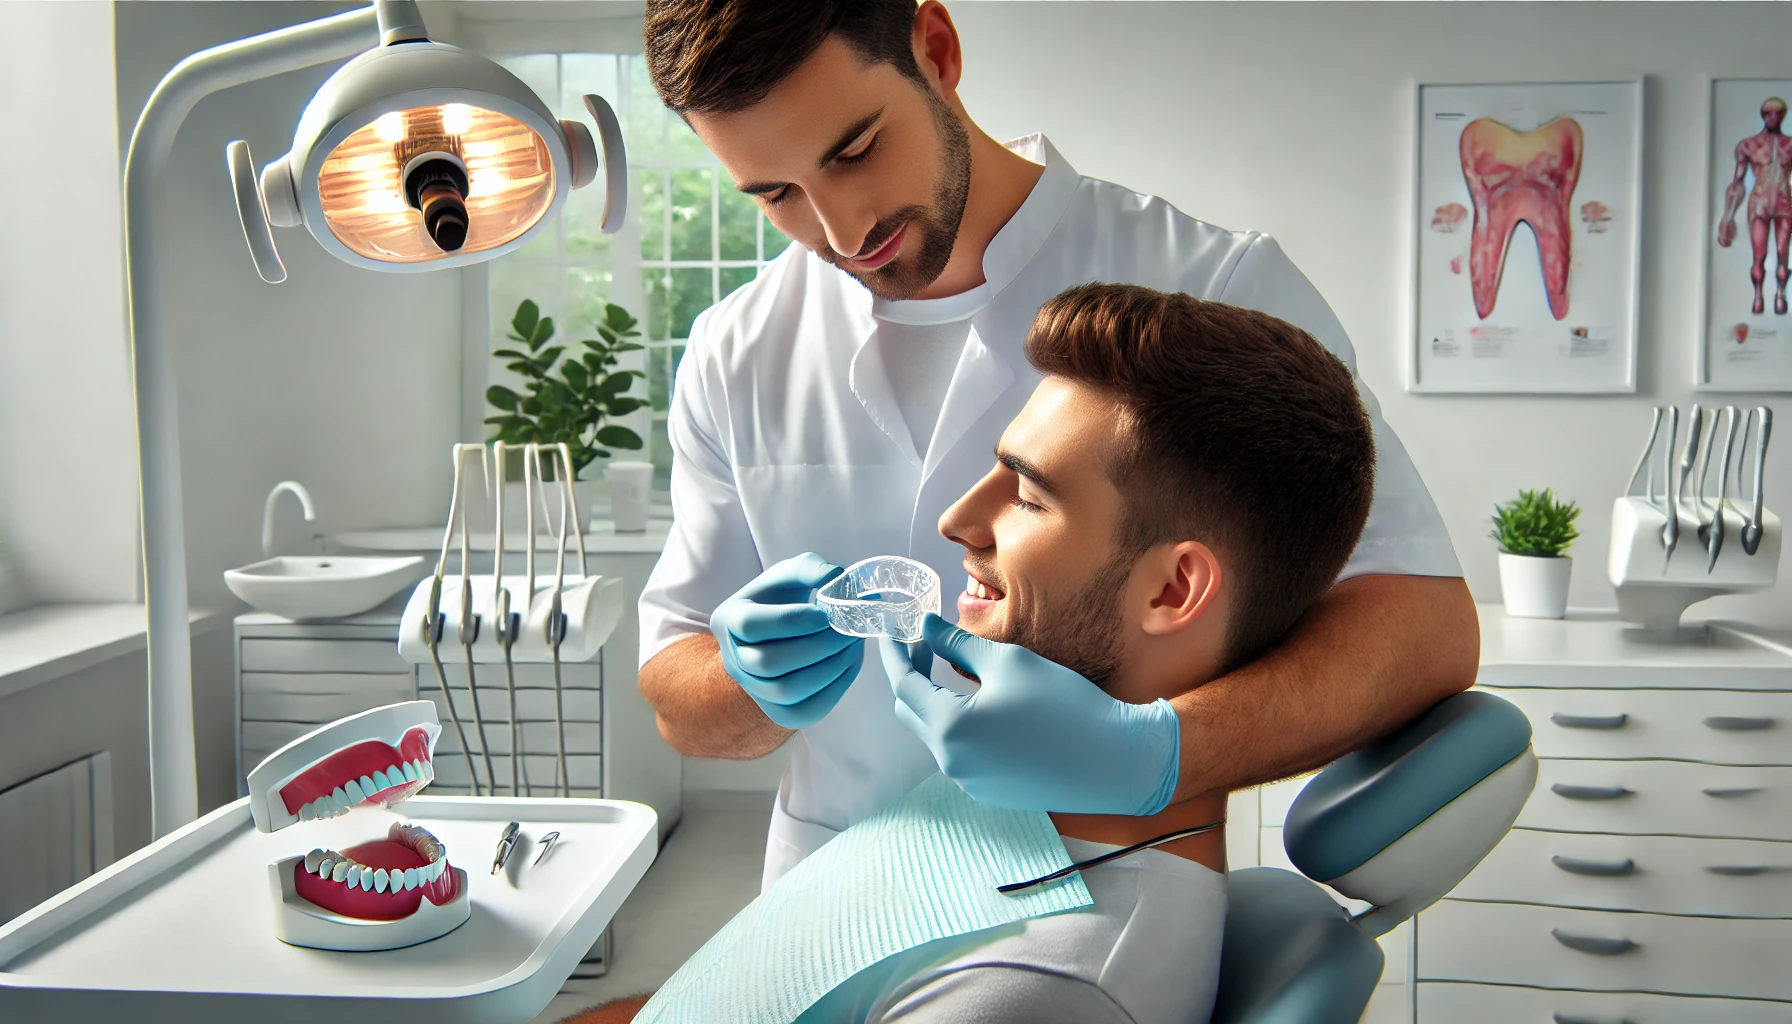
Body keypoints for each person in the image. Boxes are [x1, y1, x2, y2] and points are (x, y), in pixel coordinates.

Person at [636, 0, 1476, 890]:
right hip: (829, 894)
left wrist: (1149, 756)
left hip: (1101, 901)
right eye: (776, 194)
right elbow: (677, 700)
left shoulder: (1211, 285)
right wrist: (745, 682)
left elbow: (1422, 630)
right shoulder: (737, 350)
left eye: (855, 151)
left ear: (937, 49)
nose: (841, 232)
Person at [569, 283, 1377, 1024]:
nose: (957, 519)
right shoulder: (1020, 814)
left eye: (1027, 495)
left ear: (1171, 591)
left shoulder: (1043, 994)